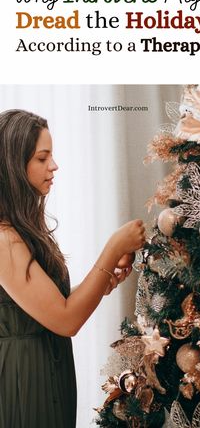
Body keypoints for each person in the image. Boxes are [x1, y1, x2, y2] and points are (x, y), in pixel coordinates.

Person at [0, 109, 146, 428]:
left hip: (46, 367)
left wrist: (102, 282)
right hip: (24, 380)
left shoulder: (21, 230)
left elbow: (52, 306)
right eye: (42, 158)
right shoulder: (3, 239)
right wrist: (113, 249)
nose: (54, 166)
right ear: (13, 164)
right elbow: (66, 320)